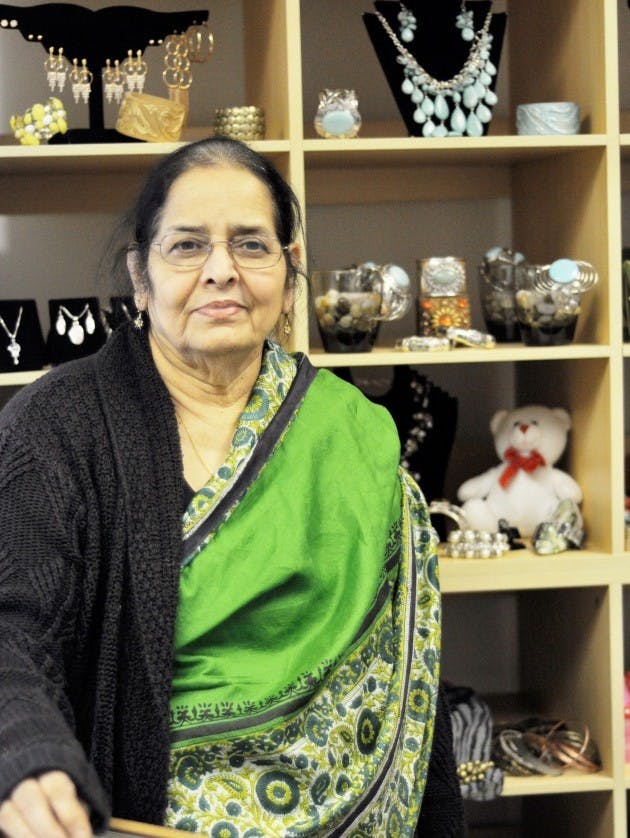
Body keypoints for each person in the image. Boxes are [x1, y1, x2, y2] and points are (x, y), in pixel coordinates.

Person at [0, 136, 464, 837]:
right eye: (188, 246)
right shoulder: (54, 426)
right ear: (141, 275)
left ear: (289, 271)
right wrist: (27, 754)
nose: (221, 270)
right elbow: (12, 626)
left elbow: (409, 686)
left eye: (250, 245)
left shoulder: (353, 433)